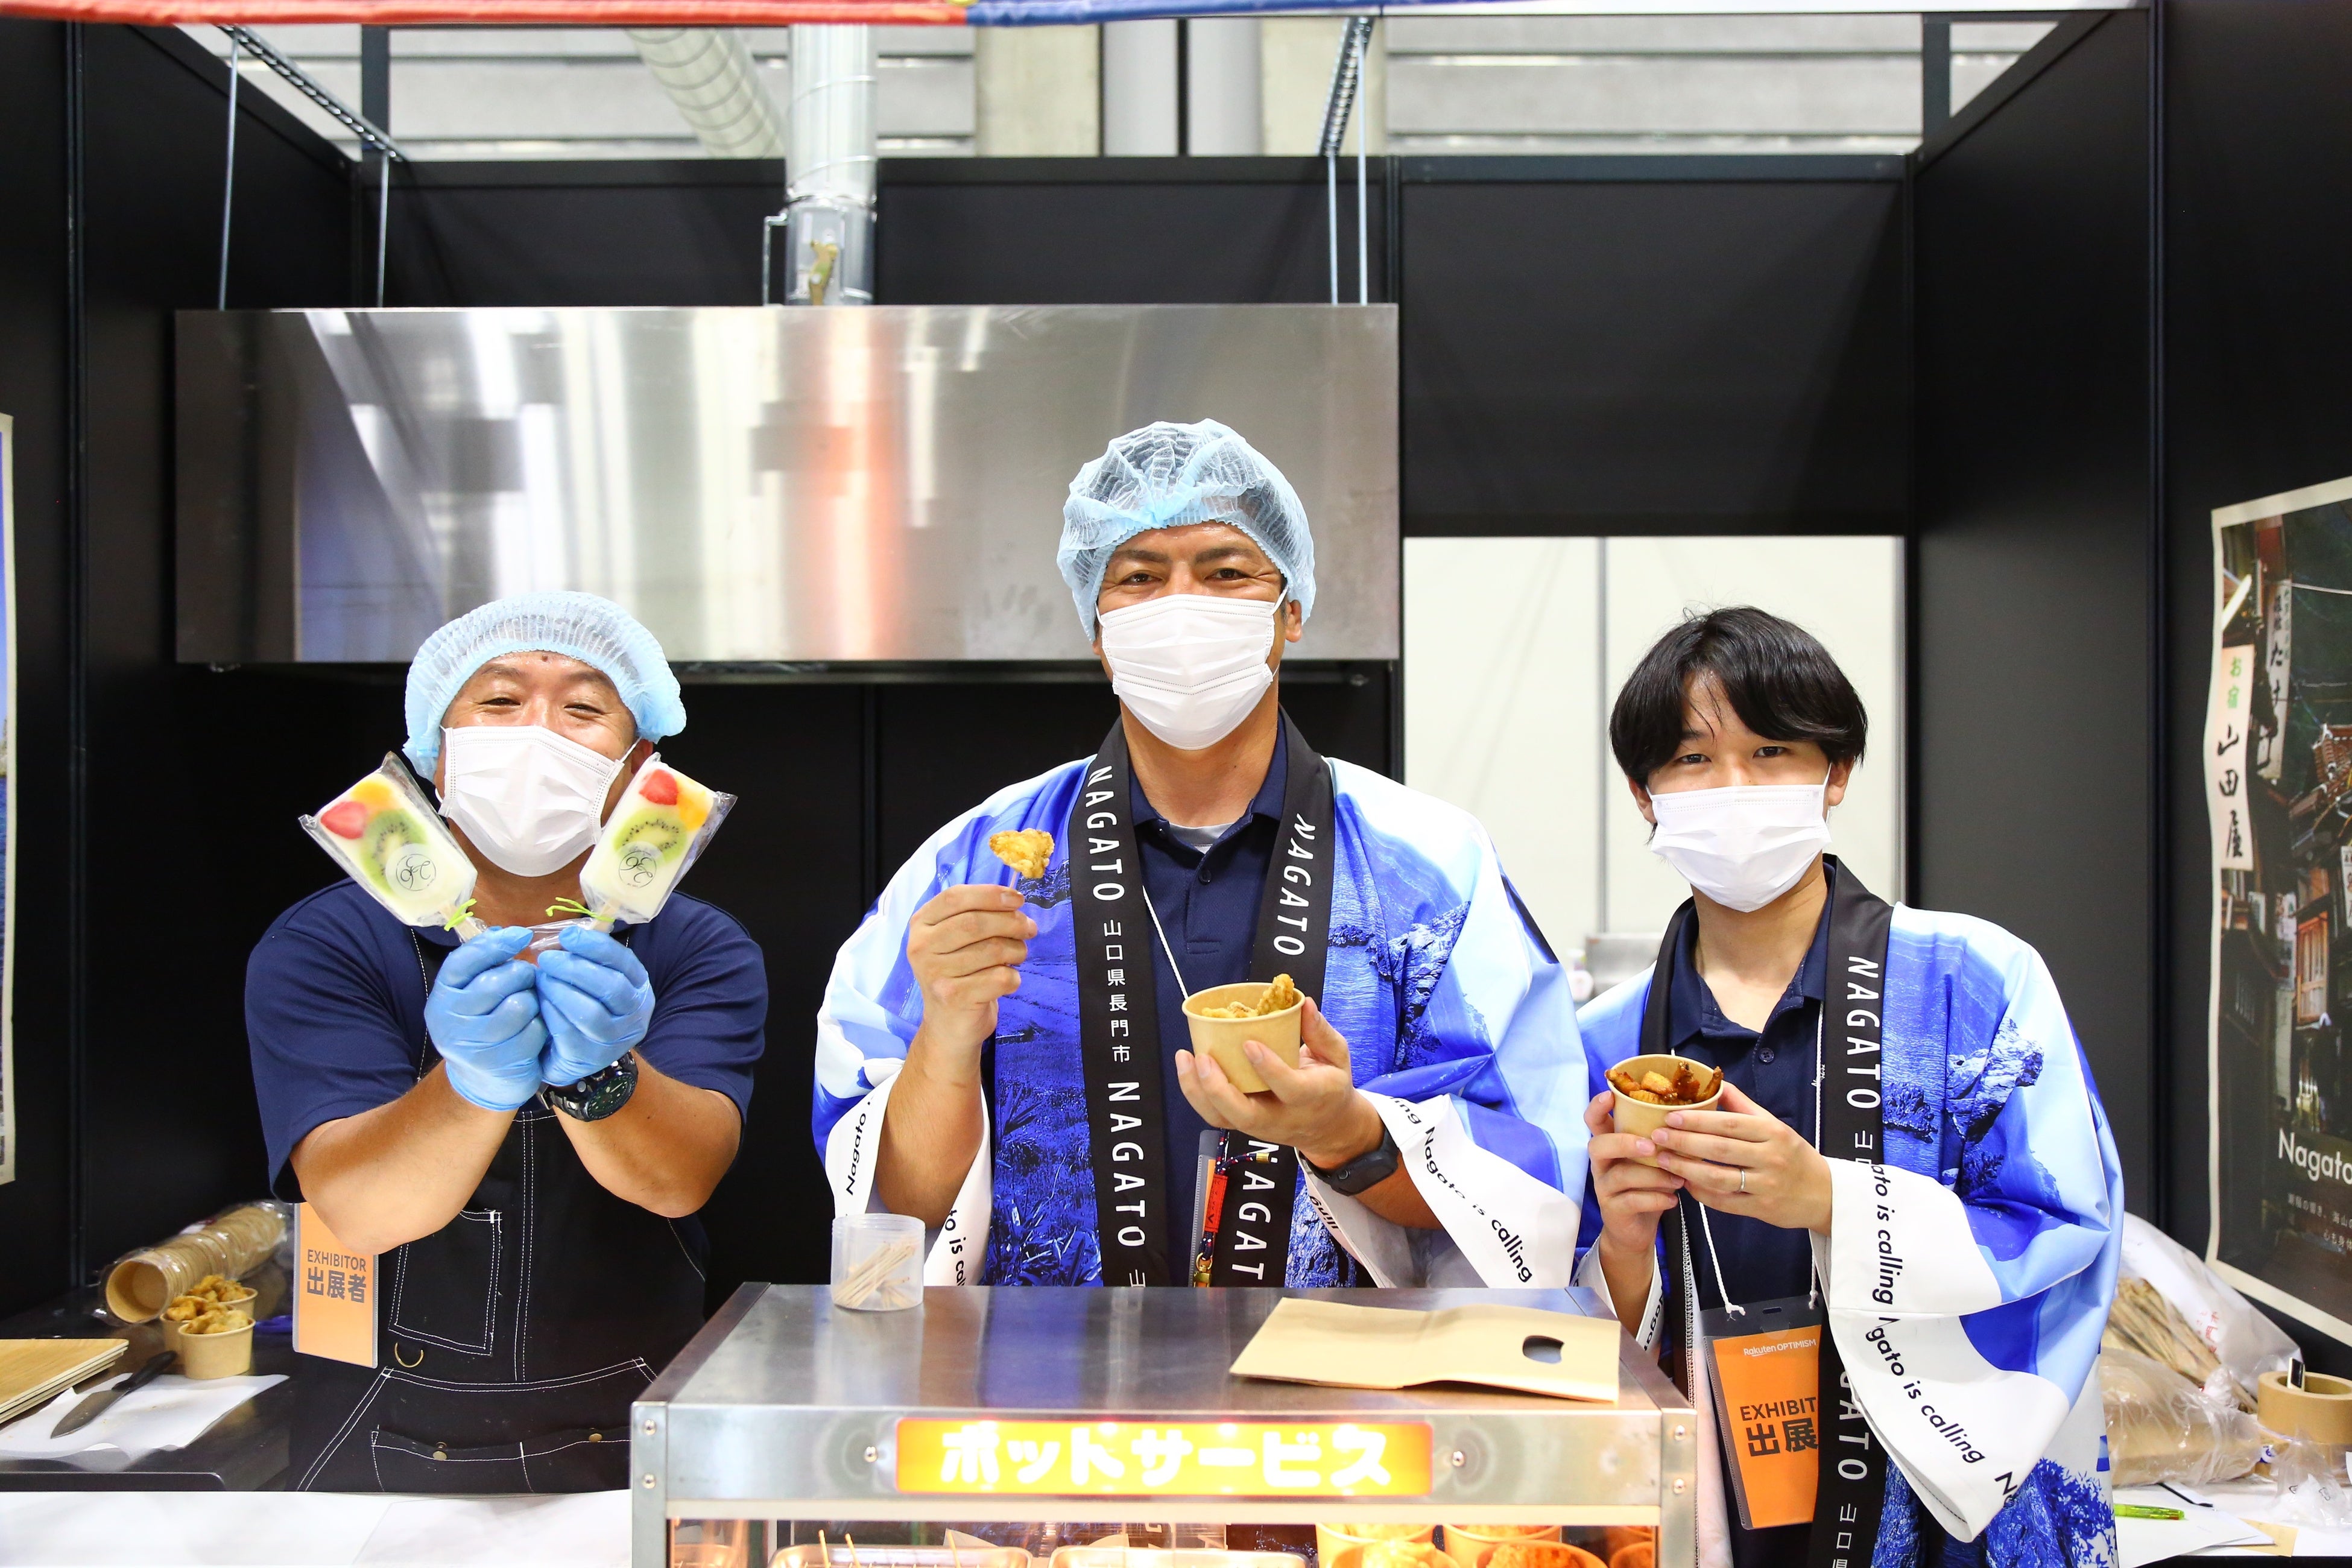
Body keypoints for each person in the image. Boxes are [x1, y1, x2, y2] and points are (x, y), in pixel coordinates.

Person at [816, 419, 1585, 1288]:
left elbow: (1531, 1181)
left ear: (1290, 611)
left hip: (1339, 1370)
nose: (1181, 607)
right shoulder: (971, 871)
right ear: (1097, 628)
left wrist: (1345, 1137)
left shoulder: (1430, 870)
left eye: (1226, 573)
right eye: (1139, 578)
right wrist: (948, 1038)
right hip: (1043, 1368)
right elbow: (894, 1216)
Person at [1575, 607, 2120, 1568]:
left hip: (1937, 1514)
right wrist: (1622, 1250)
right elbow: (1554, 1315)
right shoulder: (1606, 1043)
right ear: (1643, 793)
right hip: (1707, 1507)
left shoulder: (1976, 982)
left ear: (1836, 771)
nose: (1733, 786)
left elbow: (2066, 1228)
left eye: (1771, 750)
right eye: (1693, 759)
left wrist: (1831, 1201)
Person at [248, 591, 766, 1493]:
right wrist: (471, 1082)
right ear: (436, 753)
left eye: (584, 709)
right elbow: (360, 1211)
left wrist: (602, 1077)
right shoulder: (327, 943)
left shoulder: (696, 947)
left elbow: (680, 1178)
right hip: (375, 1439)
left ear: (638, 769)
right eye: (498, 701)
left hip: (635, 1429)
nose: (538, 734)